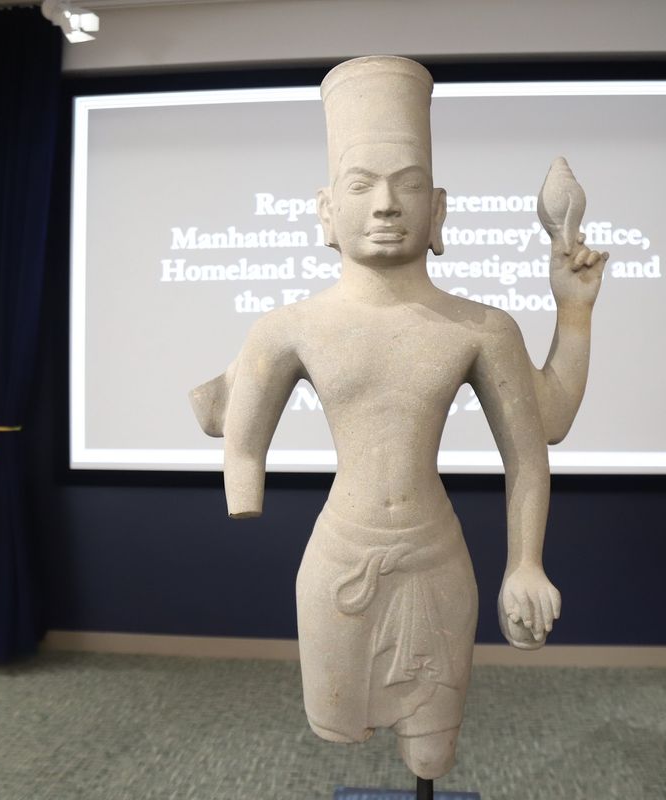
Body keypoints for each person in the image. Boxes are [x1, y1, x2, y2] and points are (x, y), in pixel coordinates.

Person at [190, 55, 605, 781]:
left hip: (434, 561)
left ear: (438, 210)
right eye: (361, 185)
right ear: (327, 212)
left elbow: (542, 436)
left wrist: (573, 312)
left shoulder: (481, 328)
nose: (386, 205)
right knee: (336, 727)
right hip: (339, 562)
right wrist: (242, 490)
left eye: (408, 185)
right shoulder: (288, 328)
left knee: (432, 755)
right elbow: (243, 440)